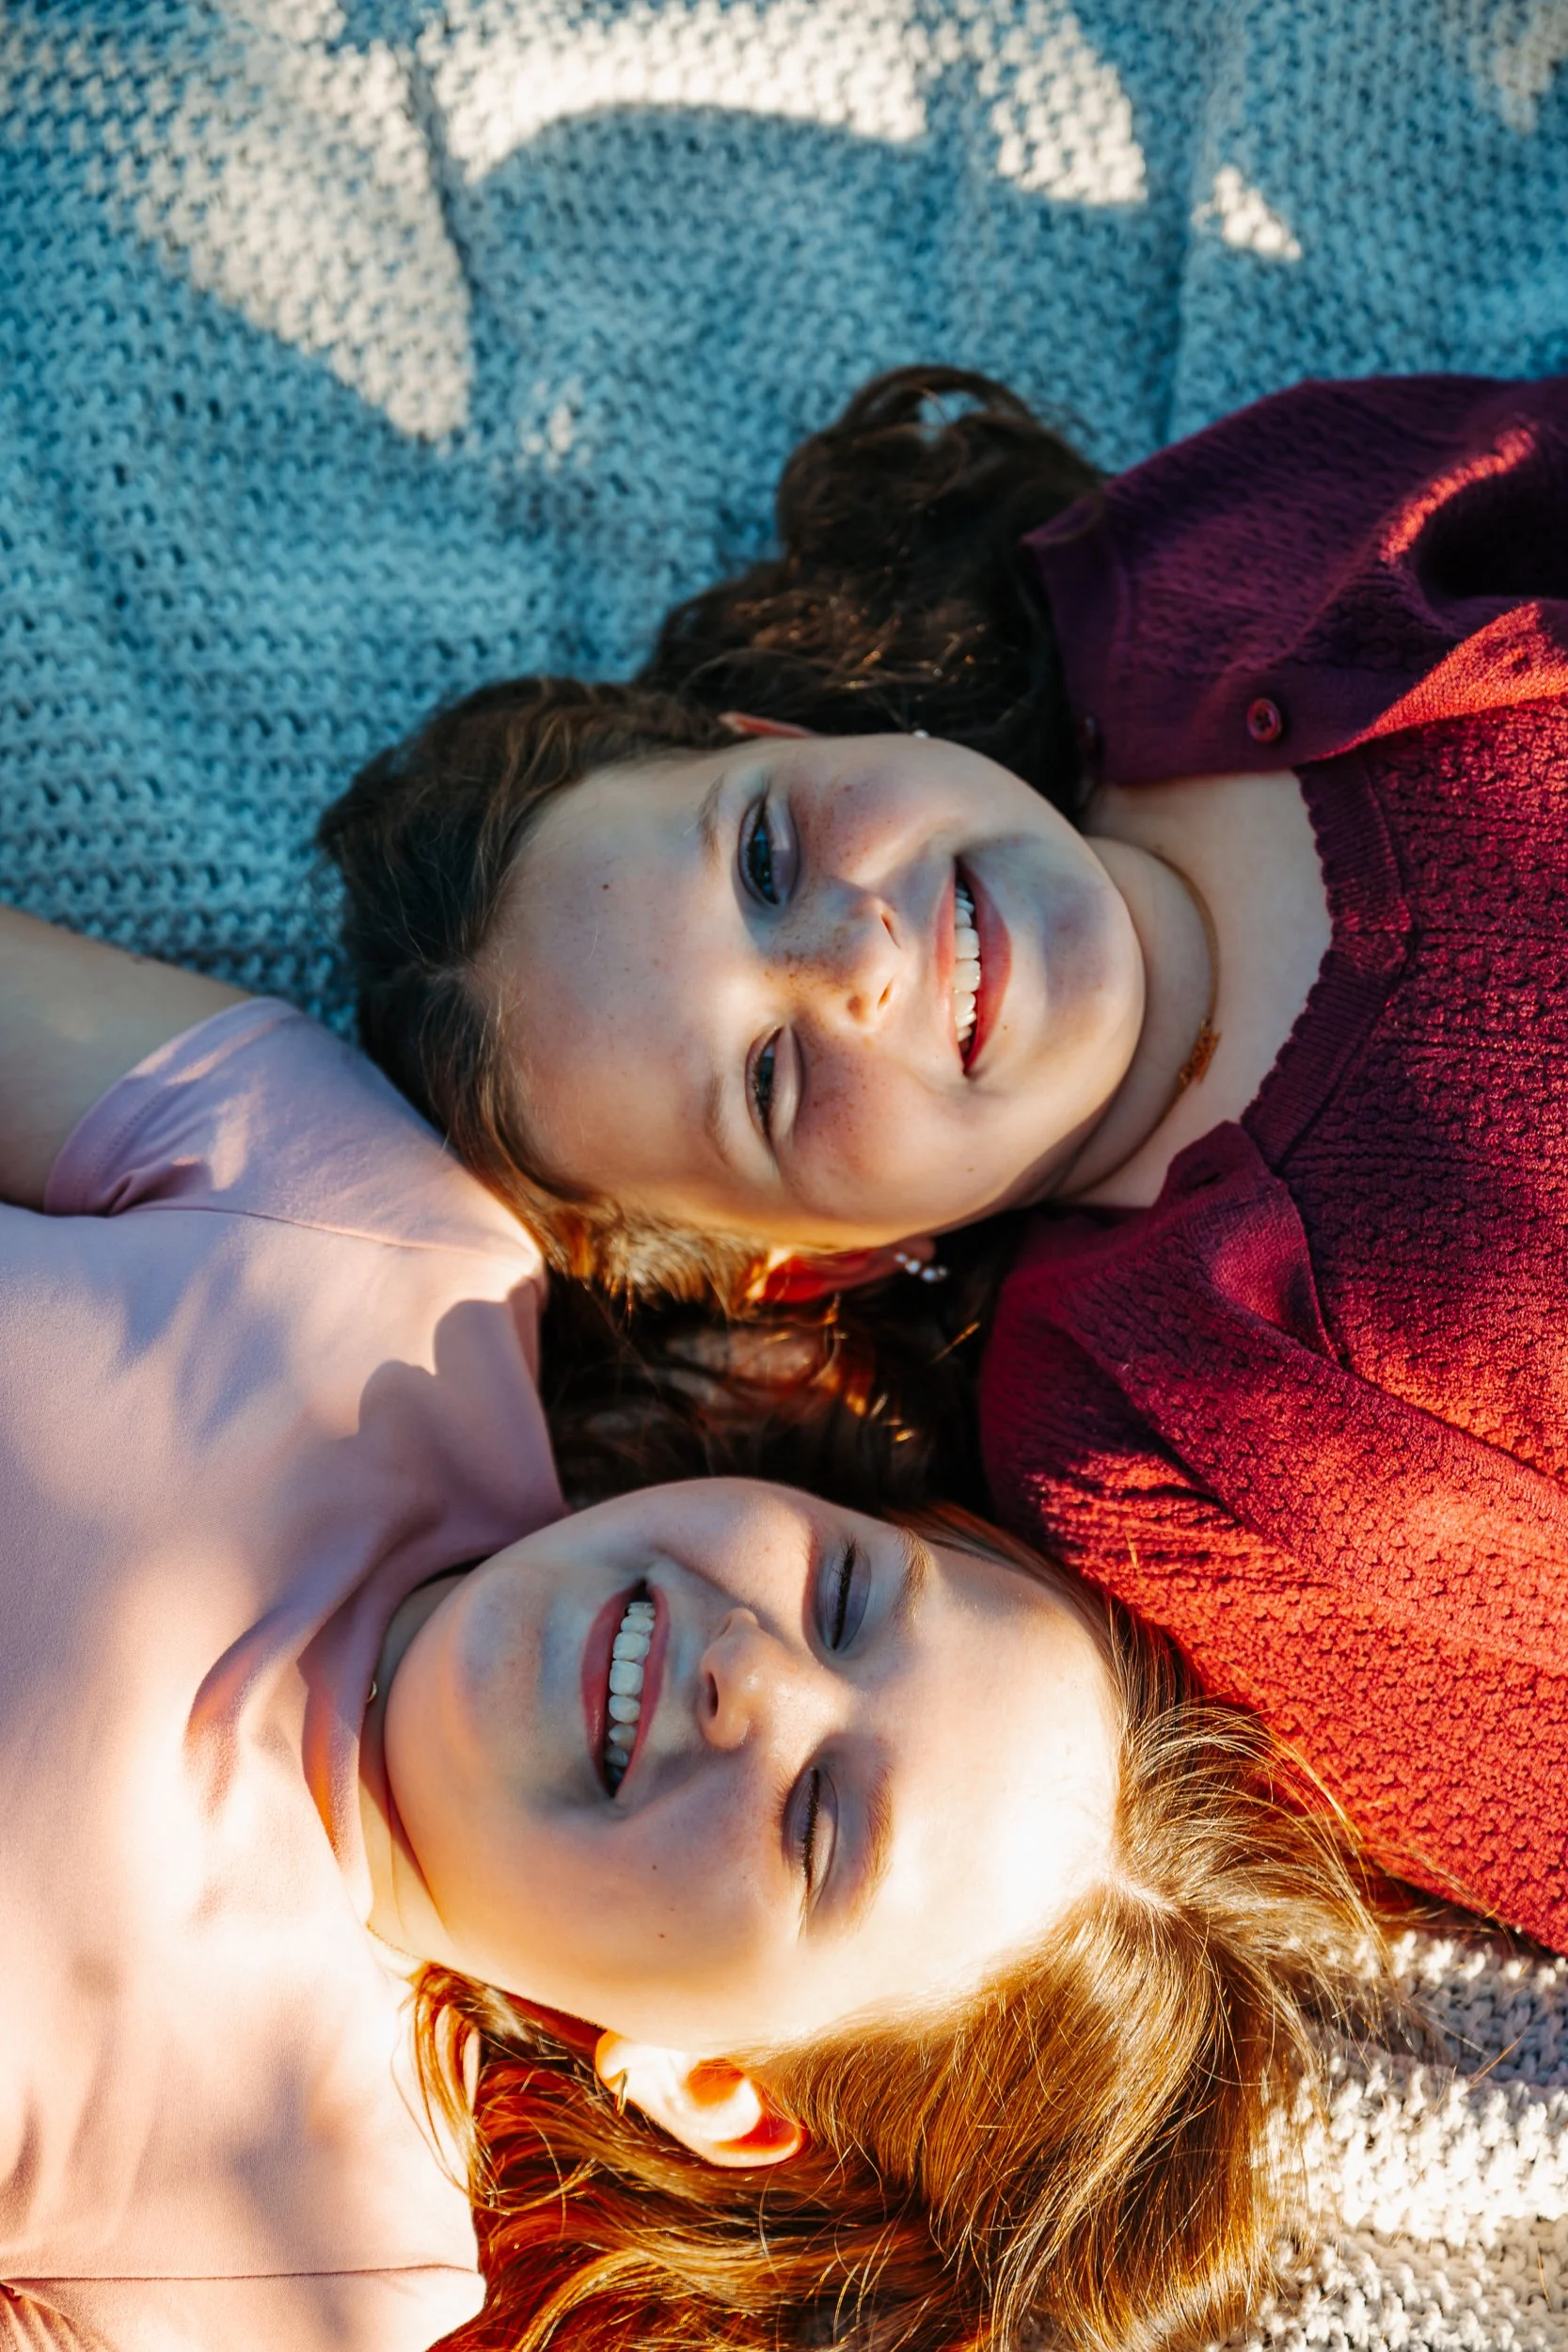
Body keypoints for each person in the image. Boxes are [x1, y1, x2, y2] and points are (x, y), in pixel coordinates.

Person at [0, 906, 1385, 2352]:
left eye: (819, 1827)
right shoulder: (381, 1248)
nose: (750, 1674)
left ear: (716, 2085)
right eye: (846, 1600)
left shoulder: (306, 2251)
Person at [321, 365, 1568, 1954]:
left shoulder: (1224, 577)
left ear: (777, 734)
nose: (852, 952)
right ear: (824, 1261)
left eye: (763, 853)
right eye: (768, 1080)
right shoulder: (1137, 1435)